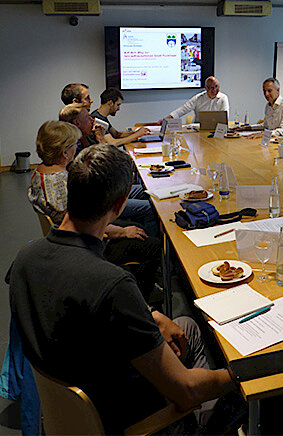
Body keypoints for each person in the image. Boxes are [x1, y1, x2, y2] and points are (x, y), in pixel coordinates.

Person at [9, 144, 237, 434]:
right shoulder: (112, 284)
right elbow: (187, 391)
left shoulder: (24, 260)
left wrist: (149, 313)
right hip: (130, 419)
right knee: (231, 387)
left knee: (187, 327)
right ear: (119, 206)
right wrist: (238, 373)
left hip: (76, 402)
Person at [28, 121, 159, 301]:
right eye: (74, 145)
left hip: (69, 241)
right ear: (65, 152)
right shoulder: (60, 182)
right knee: (152, 244)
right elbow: (83, 223)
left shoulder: (40, 173)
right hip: (86, 246)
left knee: (135, 223)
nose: (77, 148)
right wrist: (122, 232)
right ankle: (140, 297)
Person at [59, 104, 159, 237]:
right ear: (77, 123)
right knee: (149, 207)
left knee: (145, 189)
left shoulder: (81, 139)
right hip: (100, 196)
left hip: (104, 187)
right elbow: (110, 167)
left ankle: (140, 224)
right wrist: (100, 138)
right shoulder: (74, 148)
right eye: (88, 118)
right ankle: (151, 243)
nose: (92, 120)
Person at [62, 83, 149, 146]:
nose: (91, 101)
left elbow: (116, 134)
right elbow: (110, 144)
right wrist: (136, 135)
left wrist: (137, 133)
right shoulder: (75, 140)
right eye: (87, 98)